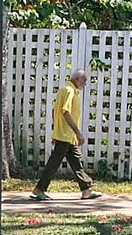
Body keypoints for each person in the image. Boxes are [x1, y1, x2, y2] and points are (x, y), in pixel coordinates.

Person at [30, 69, 102, 200]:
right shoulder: (69, 91)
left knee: (76, 162)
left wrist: (57, 129)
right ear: (76, 79)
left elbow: (54, 111)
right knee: (54, 163)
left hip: (65, 134)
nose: (85, 83)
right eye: (84, 80)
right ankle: (39, 189)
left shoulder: (67, 90)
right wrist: (78, 132)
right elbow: (66, 112)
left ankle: (86, 190)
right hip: (66, 135)